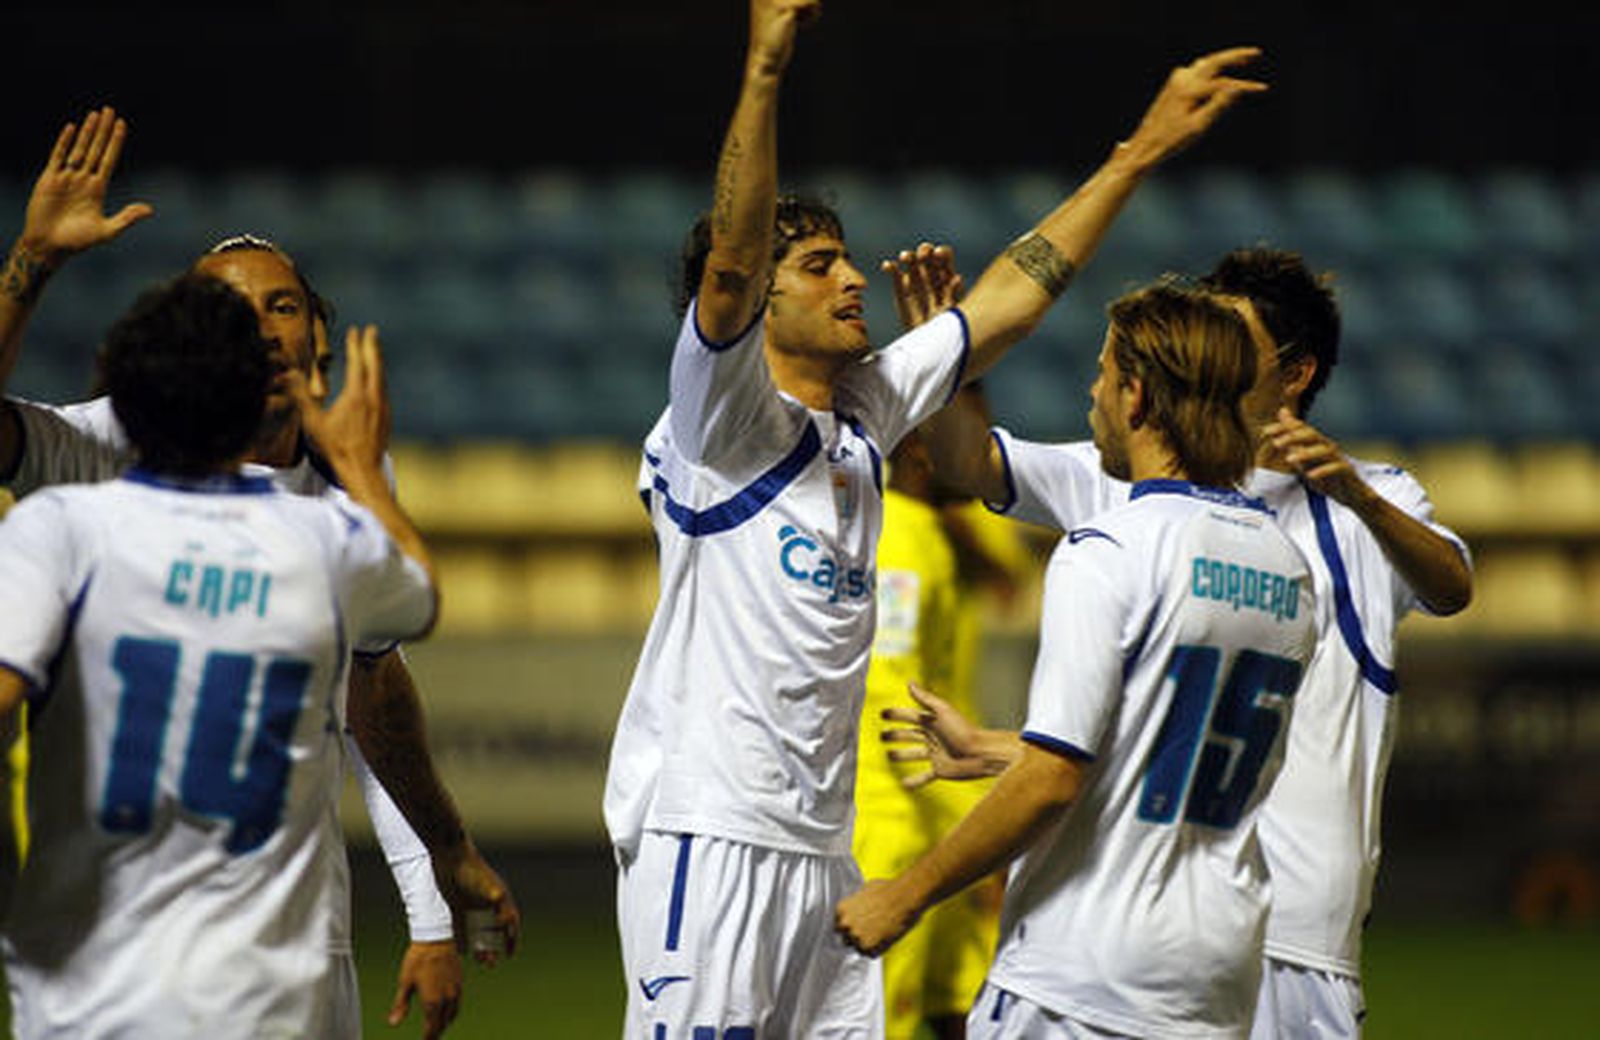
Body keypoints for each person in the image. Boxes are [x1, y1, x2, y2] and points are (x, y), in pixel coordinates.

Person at [601, 0, 1268, 1031]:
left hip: (825, 849)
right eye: (817, 265)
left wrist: (1137, 153)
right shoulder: (718, 420)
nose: (852, 276)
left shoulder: (866, 406)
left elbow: (1012, 296)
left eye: (843, 256)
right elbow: (730, 261)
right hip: (710, 831)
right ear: (753, 305)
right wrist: (766, 71)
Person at [0, 108, 511, 1038]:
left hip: (172, 958)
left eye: (282, 305)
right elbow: (412, 603)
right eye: (233, 314)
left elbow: (373, 692)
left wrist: (436, 884)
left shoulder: (60, 528)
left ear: (318, 332)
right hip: (238, 959)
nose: (263, 331)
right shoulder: (312, 521)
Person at [886, 246, 1473, 1037]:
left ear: (1294, 374)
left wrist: (1356, 494)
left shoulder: (1370, 504)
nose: (1204, 346)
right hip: (1164, 934)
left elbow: (1451, 587)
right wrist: (943, 358)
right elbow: (965, 460)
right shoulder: (1123, 485)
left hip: (1295, 940)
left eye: (1230, 334)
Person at [836, 282, 1319, 1038]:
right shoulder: (1287, 567)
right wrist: (1002, 748)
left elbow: (1053, 778)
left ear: (1134, 397)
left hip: (1085, 969)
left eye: (1101, 373)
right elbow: (1162, 740)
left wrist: (905, 895)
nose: (1089, 391)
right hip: (1216, 965)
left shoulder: (1108, 548)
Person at [852, 382, 1021, 1040]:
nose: (976, 453)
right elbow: (891, 696)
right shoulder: (897, 541)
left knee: (959, 996)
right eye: (963, 439)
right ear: (921, 449)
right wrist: (985, 822)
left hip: (934, 815)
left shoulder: (929, 533)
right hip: (896, 815)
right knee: (883, 1011)